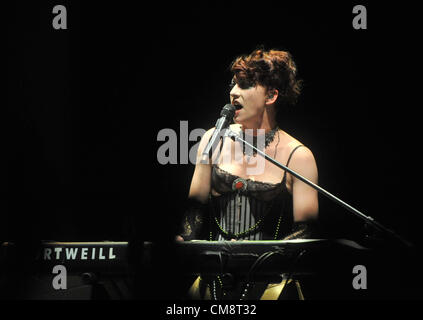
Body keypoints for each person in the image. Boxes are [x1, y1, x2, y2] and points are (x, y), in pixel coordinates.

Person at [175, 48, 319, 300]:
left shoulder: (298, 155)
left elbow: (305, 231)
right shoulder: (213, 139)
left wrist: (261, 262)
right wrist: (183, 240)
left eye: (245, 85)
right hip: (213, 281)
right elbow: (195, 209)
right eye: (233, 84)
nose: (233, 92)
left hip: (271, 285)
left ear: (271, 95)